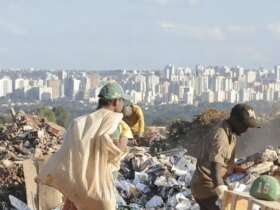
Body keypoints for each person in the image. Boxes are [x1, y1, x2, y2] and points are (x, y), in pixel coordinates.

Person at [36, 82, 131, 210]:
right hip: (99, 184)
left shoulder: (79, 122)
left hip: (77, 183)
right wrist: (125, 135)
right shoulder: (113, 122)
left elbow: (67, 152)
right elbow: (115, 153)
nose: (123, 104)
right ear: (115, 102)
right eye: (122, 101)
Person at [191, 103, 260, 210]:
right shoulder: (221, 136)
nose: (246, 130)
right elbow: (215, 165)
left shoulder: (231, 133)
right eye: (245, 125)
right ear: (235, 121)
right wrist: (221, 190)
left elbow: (223, 161)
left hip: (202, 185)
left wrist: (235, 169)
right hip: (207, 188)